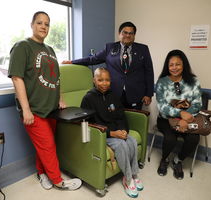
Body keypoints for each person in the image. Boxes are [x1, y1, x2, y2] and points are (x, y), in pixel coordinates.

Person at [8, 11, 81, 190]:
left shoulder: (50, 50)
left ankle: (42, 173)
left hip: (51, 109)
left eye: (47, 24)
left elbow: (56, 78)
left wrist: (60, 98)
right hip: (34, 109)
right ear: (32, 24)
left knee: (45, 145)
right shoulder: (22, 46)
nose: (43, 27)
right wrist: (26, 109)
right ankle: (58, 181)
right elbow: (17, 78)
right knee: (48, 146)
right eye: (39, 23)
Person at [81, 67, 143, 198]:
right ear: (94, 80)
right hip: (103, 134)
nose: (104, 83)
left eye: (107, 80)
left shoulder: (113, 95)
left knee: (131, 141)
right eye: (100, 80)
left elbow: (121, 115)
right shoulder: (88, 98)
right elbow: (89, 124)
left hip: (117, 130)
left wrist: (124, 131)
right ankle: (127, 179)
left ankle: (134, 174)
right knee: (122, 145)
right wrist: (112, 133)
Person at [63, 21, 154, 110]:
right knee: (115, 118)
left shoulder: (143, 49)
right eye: (125, 32)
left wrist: (148, 94)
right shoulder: (110, 48)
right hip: (114, 93)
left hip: (136, 94)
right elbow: (92, 59)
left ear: (134, 35)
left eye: (131, 33)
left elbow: (149, 72)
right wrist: (72, 61)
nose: (128, 35)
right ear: (119, 33)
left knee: (135, 121)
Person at [155, 49, 202, 180]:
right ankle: (164, 160)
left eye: (178, 64)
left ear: (183, 65)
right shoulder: (162, 82)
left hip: (188, 119)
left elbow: (197, 104)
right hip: (165, 119)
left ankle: (177, 160)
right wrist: (181, 113)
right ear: (167, 66)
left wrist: (185, 120)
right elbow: (162, 107)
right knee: (170, 139)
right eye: (171, 65)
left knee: (194, 139)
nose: (174, 68)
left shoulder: (193, 81)